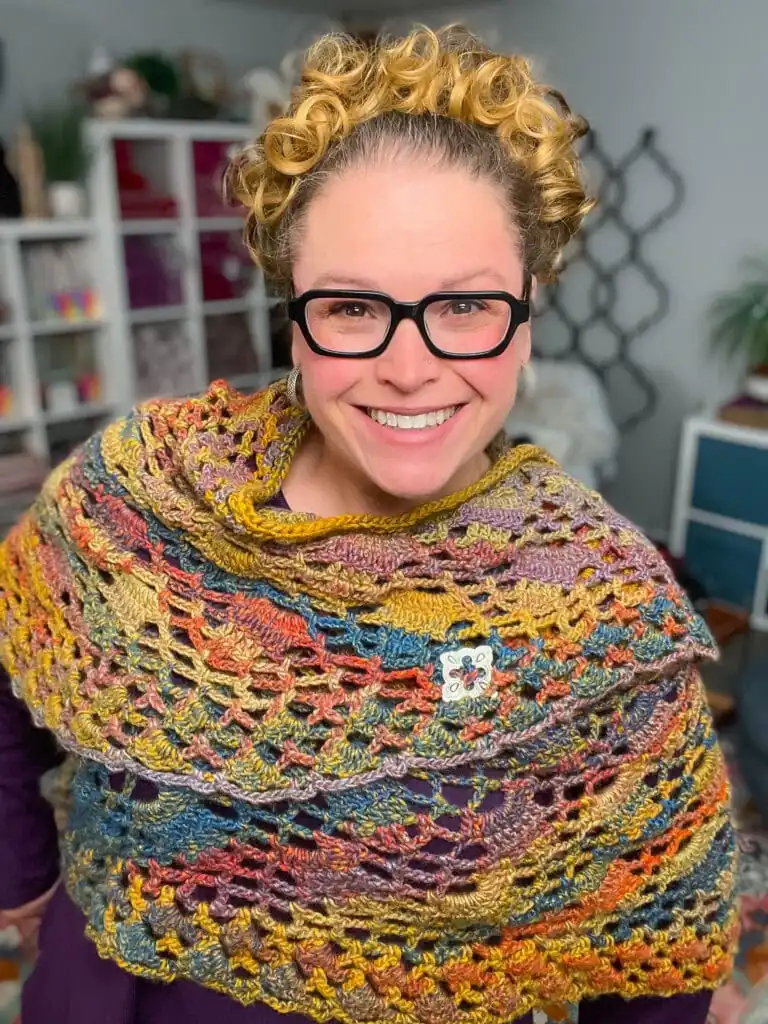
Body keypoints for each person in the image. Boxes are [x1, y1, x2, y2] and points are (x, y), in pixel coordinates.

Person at [0, 24, 738, 1024]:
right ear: (291, 306)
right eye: (352, 308)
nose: (408, 364)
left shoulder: (598, 607)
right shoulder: (141, 491)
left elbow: (658, 947)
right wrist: (22, 868)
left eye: (466, 305)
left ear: (527, 308)